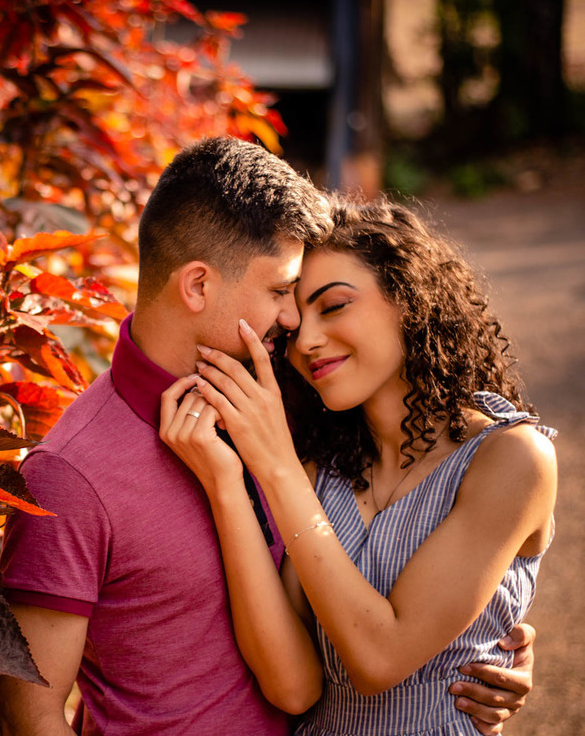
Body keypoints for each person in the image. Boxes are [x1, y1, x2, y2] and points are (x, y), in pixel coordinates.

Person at [0, 138, 536, 736]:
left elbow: (337, 656)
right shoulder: (71, 474)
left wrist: (482, 637)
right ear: (198, 286)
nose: (295, 328)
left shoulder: (300, 415)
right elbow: (31, 714)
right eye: (283, 292)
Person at [159, 199, 556, 735]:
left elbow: (378, 660)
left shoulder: (510, 458)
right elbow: (292, 687)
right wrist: (228, 484)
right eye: (295, 324)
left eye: (336, 305)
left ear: (410, 299)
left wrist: (276, 467)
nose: (307, 342)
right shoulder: (321, 468)